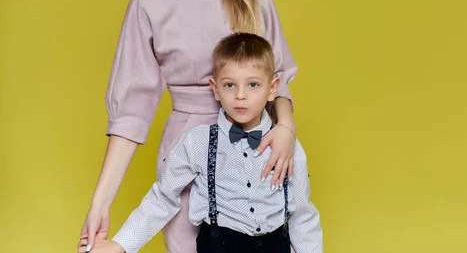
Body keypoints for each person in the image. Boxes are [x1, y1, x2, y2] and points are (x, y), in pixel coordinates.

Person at [78, 0, 299, 253]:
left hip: (258, 145)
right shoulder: (149, 4)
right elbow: (130, 113)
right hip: (186, 149)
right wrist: (100, 203)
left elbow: (278, 74)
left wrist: (287, 128)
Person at [79, 33, 322, 253]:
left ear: (273, 89)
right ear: (215, 89)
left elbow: (301, 215)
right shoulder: (198, 142)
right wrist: (121, 245)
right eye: (230, 85)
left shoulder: (288, 146)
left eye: (253, 84)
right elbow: (162, 198)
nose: (240, 94)